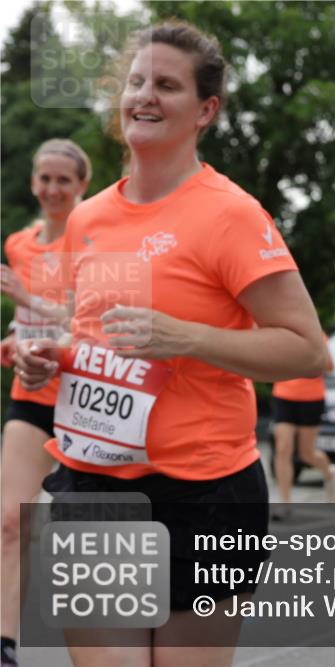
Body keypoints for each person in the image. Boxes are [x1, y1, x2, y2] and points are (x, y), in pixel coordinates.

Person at [12, 21, 327, 667]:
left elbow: (307, 349)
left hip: (205, 492)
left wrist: (186, 337)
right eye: (135, 82)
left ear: (205, 110)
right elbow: (92, 335)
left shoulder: (230, 213)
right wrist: (48, 354)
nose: (143, 97)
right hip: (96, 486)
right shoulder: (90, 217)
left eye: (166, 85)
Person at [0, 139, 91, 667]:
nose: (52, 189)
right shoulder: (19, 243)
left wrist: (29, 301)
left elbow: (87, 320)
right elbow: (29, 324)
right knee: (12, 518)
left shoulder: (93, 241)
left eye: (64, 180)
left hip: (86, 399)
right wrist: (15, 340)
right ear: (33, 182)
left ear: (82, 185)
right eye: (44, 178)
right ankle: (7, 643)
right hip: (32, 394)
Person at [271, 365, 335, 520]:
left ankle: (330, 473)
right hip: (283, 395)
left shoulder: (318, 338)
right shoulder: (283, 339)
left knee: (306, 454)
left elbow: (329, 366)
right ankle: (285, 502)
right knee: (283, 449)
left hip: (311, 398)